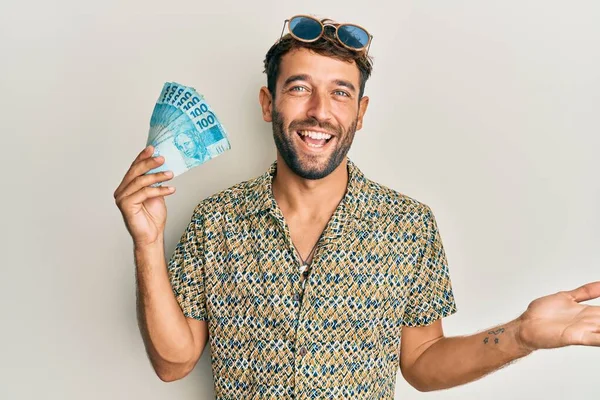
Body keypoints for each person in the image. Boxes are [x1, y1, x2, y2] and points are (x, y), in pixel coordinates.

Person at [114, 14, 600, 399]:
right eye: (299, 87)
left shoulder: (409, 226)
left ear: (360, 114)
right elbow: (173, 364)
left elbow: (422, 362)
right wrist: (147, 242)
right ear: (268, 103)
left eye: (340, 93)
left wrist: (521, 335)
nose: (319, 111)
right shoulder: (214, 221)